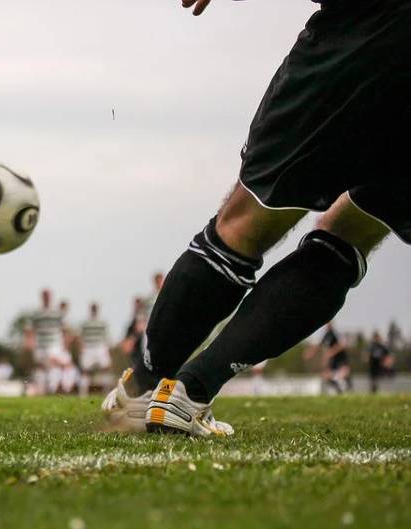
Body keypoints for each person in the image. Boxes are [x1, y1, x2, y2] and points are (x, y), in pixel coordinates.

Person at [104, 0, 410, 436]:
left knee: (244, 223)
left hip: (366, 28)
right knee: (352, 234)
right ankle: (190, 392)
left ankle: (144, 389)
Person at [24, 289, 69, 395]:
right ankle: (42, 389)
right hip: (40, 345)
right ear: (42, 297)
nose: (46, 298)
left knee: (54, 363)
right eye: (44, 296)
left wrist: (65, 343)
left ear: (51, 297)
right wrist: (29, 341)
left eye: (48, 295)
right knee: (42, 366)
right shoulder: (36, 313)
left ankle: (52, 388)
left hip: (54, 344)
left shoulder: (56, 313)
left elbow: (64, 328)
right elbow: (30, 329)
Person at [78, 302, 112, 395]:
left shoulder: (102, 323)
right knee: (85, 370)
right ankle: (83, 394)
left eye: (95, 308)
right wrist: (82, 348)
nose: (94, 310)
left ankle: (107, 392)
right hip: (88, 347)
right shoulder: (85, 323)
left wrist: (107, 349)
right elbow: (81, 336)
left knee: (106, 368)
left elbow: (106, 337)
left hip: (100, 347)